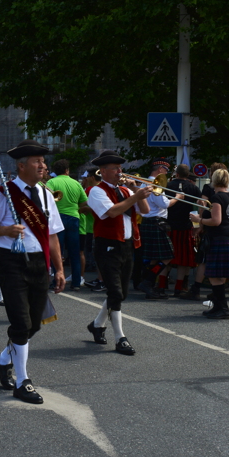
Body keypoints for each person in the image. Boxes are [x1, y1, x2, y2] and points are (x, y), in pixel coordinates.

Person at [0, 140, 66, 404]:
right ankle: (23, 380)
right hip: (12, 263)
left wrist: (60, 268)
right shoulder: (4, 193)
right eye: (37, 161)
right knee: (20, 323)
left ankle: (3, 360)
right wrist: (5, 230)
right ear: (21, 165)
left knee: (34, 325)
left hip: (39, 263)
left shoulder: (46, 194)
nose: (43, 165)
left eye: (43, 161)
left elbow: (51, 235)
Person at [86, 150, 151, 356]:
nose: (119, 171)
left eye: (120, 168)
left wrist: (137, 192)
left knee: (120, 293)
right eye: (115, 168)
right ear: (103, 171)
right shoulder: (97, 191)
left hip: (127, 244)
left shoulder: (125, 189)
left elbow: (146, 210)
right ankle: (120, 338)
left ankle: (97, 324)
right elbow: (111, 212)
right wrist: (134, 197)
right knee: (115, 292)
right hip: (107, 246)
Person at [190, 169, 229, 318]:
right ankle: (219, 307)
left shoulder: (216, 197)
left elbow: (216, 221)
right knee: (218, 276)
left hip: (220, 237)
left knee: (214, 276)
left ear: (214, 179)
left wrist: (198, 220)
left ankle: (223, 309)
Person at [138, 159, 182, 299]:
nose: (167, 174)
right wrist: (178, 198)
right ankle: (148, 281)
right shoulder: (156, 184)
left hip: (148, 221)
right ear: (161, 170)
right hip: (156, 222)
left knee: (152, 258)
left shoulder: (144, 183)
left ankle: (148, 286)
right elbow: (164, 204)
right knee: (168, 256)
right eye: (166, 171)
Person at [46, 159, 88, 291]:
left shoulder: (51, 182)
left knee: (56, 251)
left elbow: (47, 200)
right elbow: (84, 203)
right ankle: (76, 283)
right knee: (74, 252)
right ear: (67, 170)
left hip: (57, 218)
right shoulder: (76, 183)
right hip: (74, 218)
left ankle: (56, 281)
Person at [166, 164, 202, 298]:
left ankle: (161, 286)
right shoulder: (193, 187)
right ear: (188, 175)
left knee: (166, 258)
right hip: (186, 226)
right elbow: (200, 205)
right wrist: (198, 224)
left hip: (169, 225)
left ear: (176, 174)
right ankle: (178, 288)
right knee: (183, 260)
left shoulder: (168, 185)